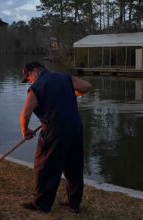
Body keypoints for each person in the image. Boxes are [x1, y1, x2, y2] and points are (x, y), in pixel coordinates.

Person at [19, 62, 91, 213]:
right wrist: (69, 94)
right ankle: (74, 204)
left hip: (54, 131)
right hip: (75, 128)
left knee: (44, 167)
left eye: (29, 78)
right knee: (74, 167)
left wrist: (25, 131)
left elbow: (25, 114)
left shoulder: (37, 87)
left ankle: (41, 205)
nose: (30, 81)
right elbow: (86, 86)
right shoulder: (64, 78)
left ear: (35, 71)